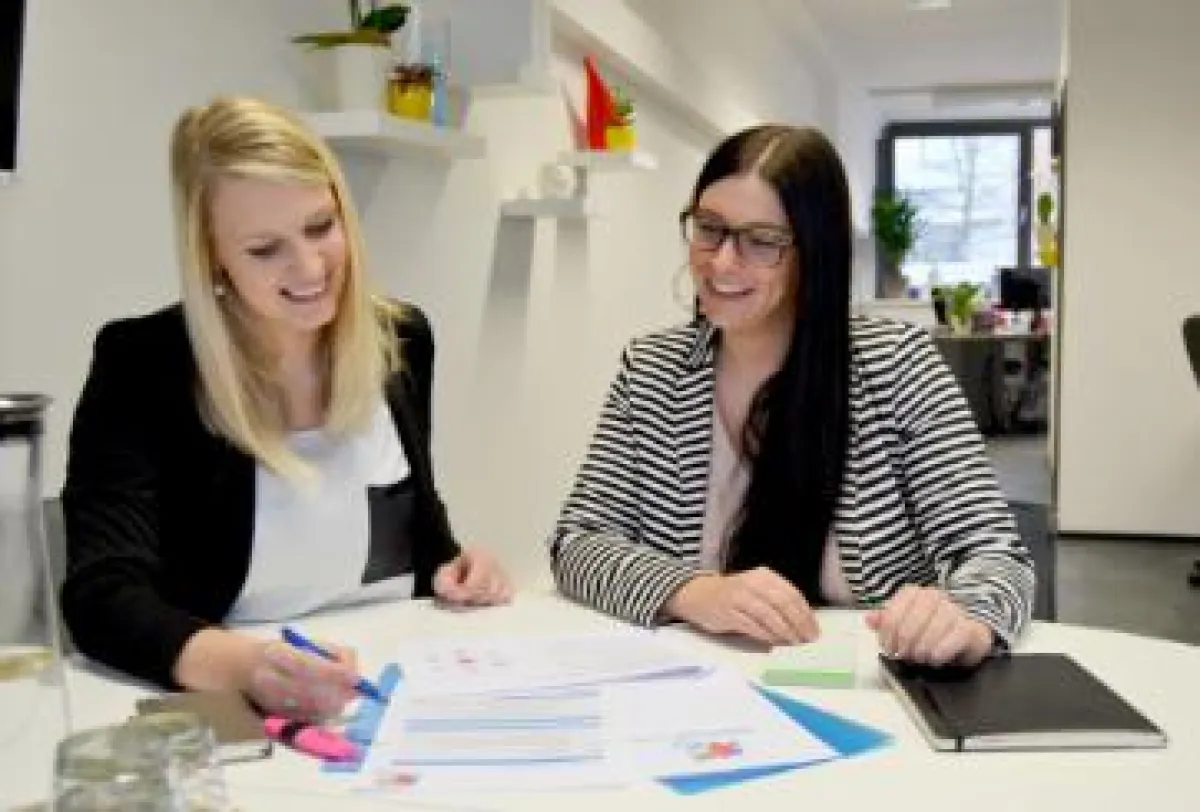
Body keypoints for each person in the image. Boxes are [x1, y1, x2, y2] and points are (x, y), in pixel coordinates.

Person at [60, 96, 511, 720]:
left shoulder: (402, 339)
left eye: (321, 227)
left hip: (396, 692)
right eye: (264, 249)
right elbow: (102, 596)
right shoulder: (144, 364)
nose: (309, 268)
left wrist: (458, 568)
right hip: (240, 713)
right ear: (213, 257)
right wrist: (245, 666)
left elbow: (416, 537)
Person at [549, 125, 1034, 667]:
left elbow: (993, 553)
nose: (722, 262)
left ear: (814, 254)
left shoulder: (898, 367)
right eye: (709, 228)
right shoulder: (652, 370)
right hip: (698, 687)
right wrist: (696, 592)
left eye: (761, 242)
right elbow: (578, 541)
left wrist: (961, 620)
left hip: (867, 689)